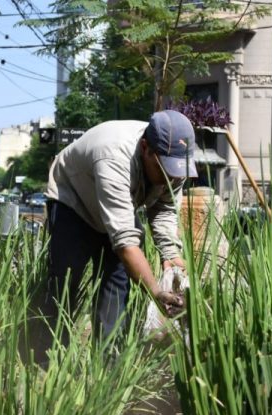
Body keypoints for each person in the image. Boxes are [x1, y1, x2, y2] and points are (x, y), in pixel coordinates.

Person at [45, 109, 197, 338]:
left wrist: (170, 254)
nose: (172, 177)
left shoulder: (176, 162)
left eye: (177, 171)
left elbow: (164, 209)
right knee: (65, 281)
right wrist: (156, 292)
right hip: (74, 199)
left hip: (118, 204)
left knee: (116, 284)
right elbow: (126, 243)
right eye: (164, 168)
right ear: (145, 148)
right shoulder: (114, 158)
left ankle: (110, 364)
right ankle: (46, 358)